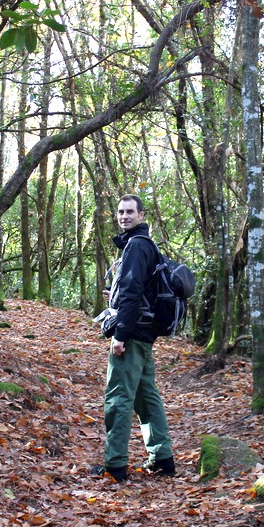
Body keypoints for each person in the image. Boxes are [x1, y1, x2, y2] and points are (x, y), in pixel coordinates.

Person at [91, 194, 175, 482]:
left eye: (130, 212)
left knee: (118, 397)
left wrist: (120, 334)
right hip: (144, 330)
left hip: (132, 332)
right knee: (145, 396)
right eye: (120, 212)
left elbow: (132, 291)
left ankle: (115, 465)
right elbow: (135, 289)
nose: (124, 216)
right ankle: (163, 459)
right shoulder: (143, 244)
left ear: (141, 215)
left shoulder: (137, 246)